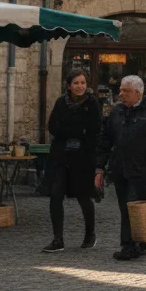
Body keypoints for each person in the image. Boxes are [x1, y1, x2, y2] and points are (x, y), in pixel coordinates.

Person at [96, 75, 146, 262]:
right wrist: (100, 168)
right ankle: (139, 242)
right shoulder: (116, 112)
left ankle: (129, 245)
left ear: (138, 93)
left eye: (125, 91)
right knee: (126, 207)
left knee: (134, 206)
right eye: (120, 90)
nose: (121, 94)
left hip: (141, 169)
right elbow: (105, 141)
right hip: (120, 168)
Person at [42, 69, 102, 252]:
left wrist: (71, 130)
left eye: (83, 83)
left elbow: (94, 130)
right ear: (69, 85)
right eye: (76, 83)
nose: (80, 86)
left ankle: (90, 234)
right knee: (56, 194)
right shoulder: (61, 102)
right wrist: (76, 130)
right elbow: (53, 126)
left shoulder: (92, 104)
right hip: (61, 157)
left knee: (83, 196)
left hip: (83, 158)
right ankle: (57, 239)